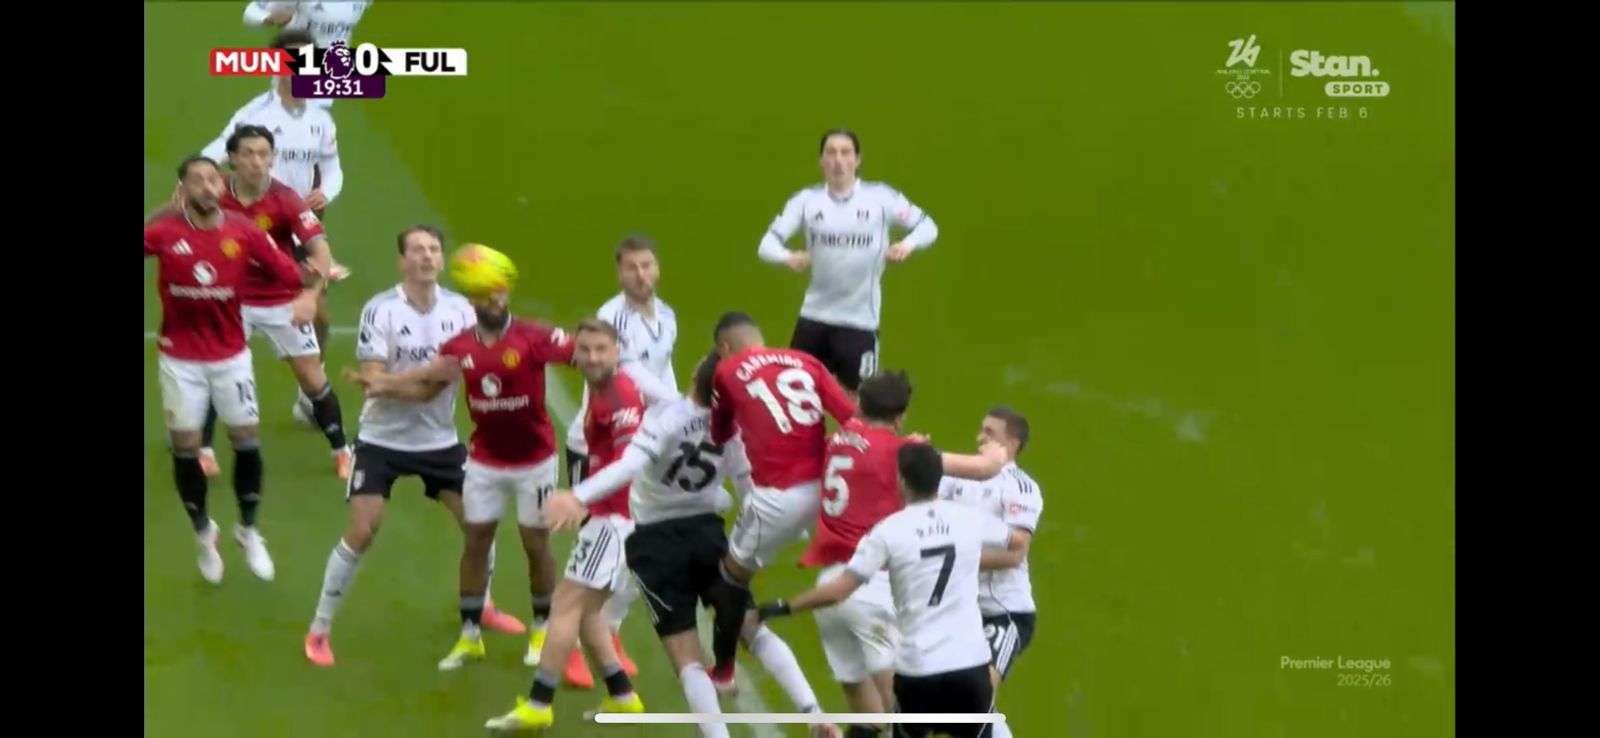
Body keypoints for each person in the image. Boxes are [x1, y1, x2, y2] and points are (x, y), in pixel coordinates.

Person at [301, 226, 522, 668]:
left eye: (433, 249)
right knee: (362, 530)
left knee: (480, 524)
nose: (426, 256)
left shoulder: (461, 310)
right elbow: (373, 377)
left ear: (442, 260)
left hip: (439, 440)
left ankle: (482, 604)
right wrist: (402, 383)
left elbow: (439, 378)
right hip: (381, 440)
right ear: (402, 260)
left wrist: (393, 385)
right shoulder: (380, 309)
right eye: (417, 249)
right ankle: (320, 629)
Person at [354, 276, 584, 674]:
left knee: (535, 544)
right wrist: (383, 386)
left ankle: (542, 628)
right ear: (472, 301)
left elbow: (584, 357)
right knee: (476, 541)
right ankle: (470, 634)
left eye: (496, 293)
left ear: (506, 294)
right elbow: (428, 384)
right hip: (484, 462)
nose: (491, 300)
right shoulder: (459, 346)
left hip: (534, 462)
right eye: (482, 294)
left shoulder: (534, 336)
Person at [758, 443, 1027, 738]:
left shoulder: (888, 531)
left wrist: (784, 606)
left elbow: (838, 591)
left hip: (919, 672)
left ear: (900, 480)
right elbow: (1016, 542)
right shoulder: (968, 519)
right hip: (970, 667)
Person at [800, 372, 1010, 738]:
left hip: (830, 586)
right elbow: (983, 470)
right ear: (899, 416)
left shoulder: (836, 441)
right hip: (872, 589)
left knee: (867, 713)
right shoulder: (898, 453)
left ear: (860, 404)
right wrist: (999, 450)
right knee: (908, 710)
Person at [144, 155, 319, 584]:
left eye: (213, 179)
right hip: (180, 359)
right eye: (197, 181)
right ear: (183, 189)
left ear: (221, 187)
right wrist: (162, 210)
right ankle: (204, 533)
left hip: (230, 357)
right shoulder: (165, 231)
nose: (208, 187)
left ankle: (248, 530)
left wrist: (311, 289)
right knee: (186, 449)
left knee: (246, 441)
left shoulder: (244, 231)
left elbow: (289, 273)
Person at [483, 319, 647, 731]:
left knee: (565, 606)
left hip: (616, 521)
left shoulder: (621, 397)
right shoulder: (602, 391)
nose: (592, 357)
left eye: (601, 349)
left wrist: (578, 497)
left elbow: (629, 465)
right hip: (604, 517)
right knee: (587, 611)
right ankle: (623, 696)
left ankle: (539, 703)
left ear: (617, 351)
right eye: (585, 350)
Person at [699, 310, 853, 717]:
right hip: (827, 486)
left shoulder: (727, 370)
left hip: (778, 498)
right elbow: (851, 417)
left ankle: (724, 671)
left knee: (730, 578)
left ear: (724, 348)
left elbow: (719, 432)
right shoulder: (807, 361)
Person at [195, 124, 352, 480]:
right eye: (248, 154)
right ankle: (203, 451)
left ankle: (342, 451)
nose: (256, 161)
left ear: (273, 158)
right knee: (215, 373)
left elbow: (320, 251)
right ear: (232, 159)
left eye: (264, 154)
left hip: (280, 298)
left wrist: (310, 296)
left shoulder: (286, 199)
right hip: (230, 299)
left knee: (312, 377)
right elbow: (178, 222)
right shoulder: (213, 193)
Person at [201, 29, 347, 401]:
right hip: (251, 225)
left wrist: (326, 192)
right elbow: (220, 147)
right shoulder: (255, 114)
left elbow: (332, 168)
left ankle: (310, 392)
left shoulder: (321, 119)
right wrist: (195, 174)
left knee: (318, 315)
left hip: (298, 226)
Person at [561, 234, 681, 680]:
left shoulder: (666, 316)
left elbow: (663, 370)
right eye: (632, 267)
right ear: (620, 272)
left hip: (640, 444)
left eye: (647, 265)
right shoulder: (611, 319)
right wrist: (684, 408)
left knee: (641, 548)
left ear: (657, 267)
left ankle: (607, 627)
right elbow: (632, 376)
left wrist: (675, 419)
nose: (641, 274)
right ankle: (570, 642)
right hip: (597, 445)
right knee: (592, 551)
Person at [756, 128, 939, 392]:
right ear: (821, 161)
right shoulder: (806, 201)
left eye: (845, 153)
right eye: (831, 153)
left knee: (858, 401)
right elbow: (766, 245)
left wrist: (907, 245)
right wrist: (787, 257)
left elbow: (928, 227)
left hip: (860, 321)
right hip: (813, 316)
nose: (838, 161)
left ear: (857, 159)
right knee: (795, 396)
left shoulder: (881, 198)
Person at [937, 408, 1042, 738]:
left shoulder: (1020, 487)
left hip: (1003, 613)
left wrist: (956, 559)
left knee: (972, 700)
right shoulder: (958, 479)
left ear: (1011, 444)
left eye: (990, 432)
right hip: (957, 612)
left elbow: (1015, 553)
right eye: (981, 429)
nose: (979, 437)